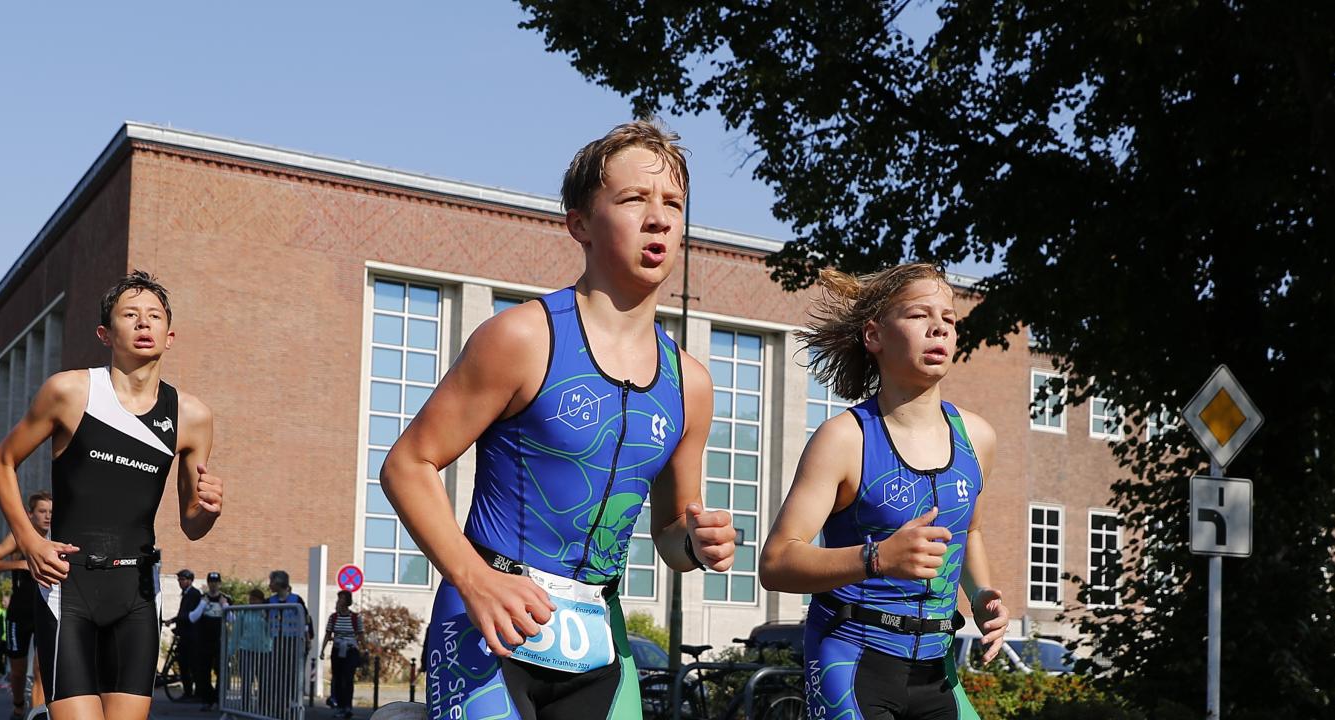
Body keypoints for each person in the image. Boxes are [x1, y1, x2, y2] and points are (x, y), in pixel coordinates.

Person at [381, 120, 738, 720]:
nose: (659, 218)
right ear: (579, 223)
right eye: (632, 199)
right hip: (488, 625)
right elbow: (407, 464)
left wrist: (698, 543)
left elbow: (671, 535)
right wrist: (472, 579)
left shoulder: (691, 384)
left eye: (673, 204)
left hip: (598, 638)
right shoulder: (522, 337)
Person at [761, 264, 1013, 720]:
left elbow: (968, 533)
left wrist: (981, 596)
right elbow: (777, 563)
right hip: (852, 658)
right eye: (919, 315)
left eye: (949, 319)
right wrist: (877, 558)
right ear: (874, 335)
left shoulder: (978, 438)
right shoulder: (844, 439)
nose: (939, 326)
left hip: (938, 667)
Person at [0, 270, 227, 720]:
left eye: (154, 316)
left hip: (136, 595)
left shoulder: (192, 416)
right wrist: (31, 541)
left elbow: (191, 525)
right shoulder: (70, 391)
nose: (143, 323)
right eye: (130, 315)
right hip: (67, 585)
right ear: (104, 332)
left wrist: (208, 511)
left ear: (169, 336)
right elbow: (0, 462)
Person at [0, 490, 55, 719]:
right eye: (42, 511)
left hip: (48, 610)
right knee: (18, 671)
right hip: (19, 613)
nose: (47, 516)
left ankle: (37, 714)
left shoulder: (58, 537)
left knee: (41, 672)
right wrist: (22, 564)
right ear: (30, 514)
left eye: (51, 512)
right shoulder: (20, 538)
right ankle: (18, 705)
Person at [263, 570, 310, 712]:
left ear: (278, 583)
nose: (270, 585)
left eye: (271, 581)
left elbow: (306, 620)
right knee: (276, 673)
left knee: (291, 673)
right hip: (276, 640)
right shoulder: (270, 601)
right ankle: (278, 703)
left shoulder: (297, 600)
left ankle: (290, 701)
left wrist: (307, 639)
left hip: (293, 641)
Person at [320, 591, 365, 718]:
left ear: (347, 601)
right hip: (338, 650)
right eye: (339, 598)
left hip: (351, 651)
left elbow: (361, 635)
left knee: (348, 678)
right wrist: (322, 650)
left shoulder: (356, 618)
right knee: (338, 678)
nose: (339, 601)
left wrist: (365, 649)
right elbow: (328, 634)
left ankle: (348, 706)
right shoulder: (333, 617)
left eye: (342, 598)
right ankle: (340, 706)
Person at [170, 569, 210, 708]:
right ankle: (188, 692)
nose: (180, 582)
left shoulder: (193, 594)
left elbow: (189, 616)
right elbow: (183, 614)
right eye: (179, 579)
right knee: (184, 664)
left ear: (190, 580)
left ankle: (195, 693)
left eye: (183, 579)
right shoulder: (186, 594)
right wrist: (173, 620)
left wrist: (177, 620)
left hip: (192, 638)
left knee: (192, 665)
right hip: (185, 636)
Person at [193, 572, 228, 708]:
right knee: (204, 671)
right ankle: (208, 699)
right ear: (208, 583)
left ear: (220, 583)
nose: (214, 584)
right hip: (204, 641)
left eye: (216, 582)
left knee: (220, 670)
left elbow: (232, 619)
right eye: (211, 582)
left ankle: (218, 698)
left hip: (220, 640)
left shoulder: (225, 599)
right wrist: (203, 604)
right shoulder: (202, 598)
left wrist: (224, 606)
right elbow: (193, 617)